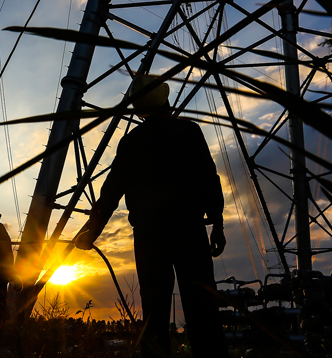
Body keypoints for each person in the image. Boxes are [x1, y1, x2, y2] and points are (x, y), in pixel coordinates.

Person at [74, 75, 229, 358]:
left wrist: (91, 232)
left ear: (139, 109)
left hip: (150, 237)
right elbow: (209, 179)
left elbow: (111, 191)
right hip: (189, 231)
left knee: (154, 314)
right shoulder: (189, 132)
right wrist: (216, 223)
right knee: (202, 308)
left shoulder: (132, 142)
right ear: (165, 101)